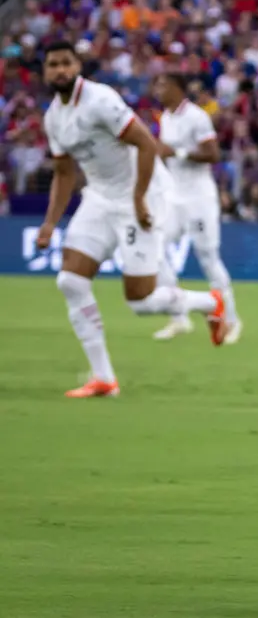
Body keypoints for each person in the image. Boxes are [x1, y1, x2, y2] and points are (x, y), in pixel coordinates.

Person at [34, 41, 229, 398]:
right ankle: (104, 379)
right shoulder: (53, 118)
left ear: (78, 66)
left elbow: (146, 144)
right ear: (45, 72)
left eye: (66, 63)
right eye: (53, 65)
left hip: (143, 195)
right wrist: (50, 223)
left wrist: (139, 198)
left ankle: (210, 303)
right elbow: (63, 173)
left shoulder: (100, 100)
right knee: (70, 282)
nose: (60, 70)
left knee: (140, 302)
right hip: (99, 198)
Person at [151, 73, 243, 343]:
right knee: (154, 249)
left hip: (199, 198)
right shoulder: (166, 118)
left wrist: (177, 152)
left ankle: (231, 320)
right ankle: (179, 317)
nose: (158, 89)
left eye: (163, 84)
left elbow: (213, 154)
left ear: (179, 89)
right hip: (173, 197)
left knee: (208, 258)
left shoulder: (196, 117)